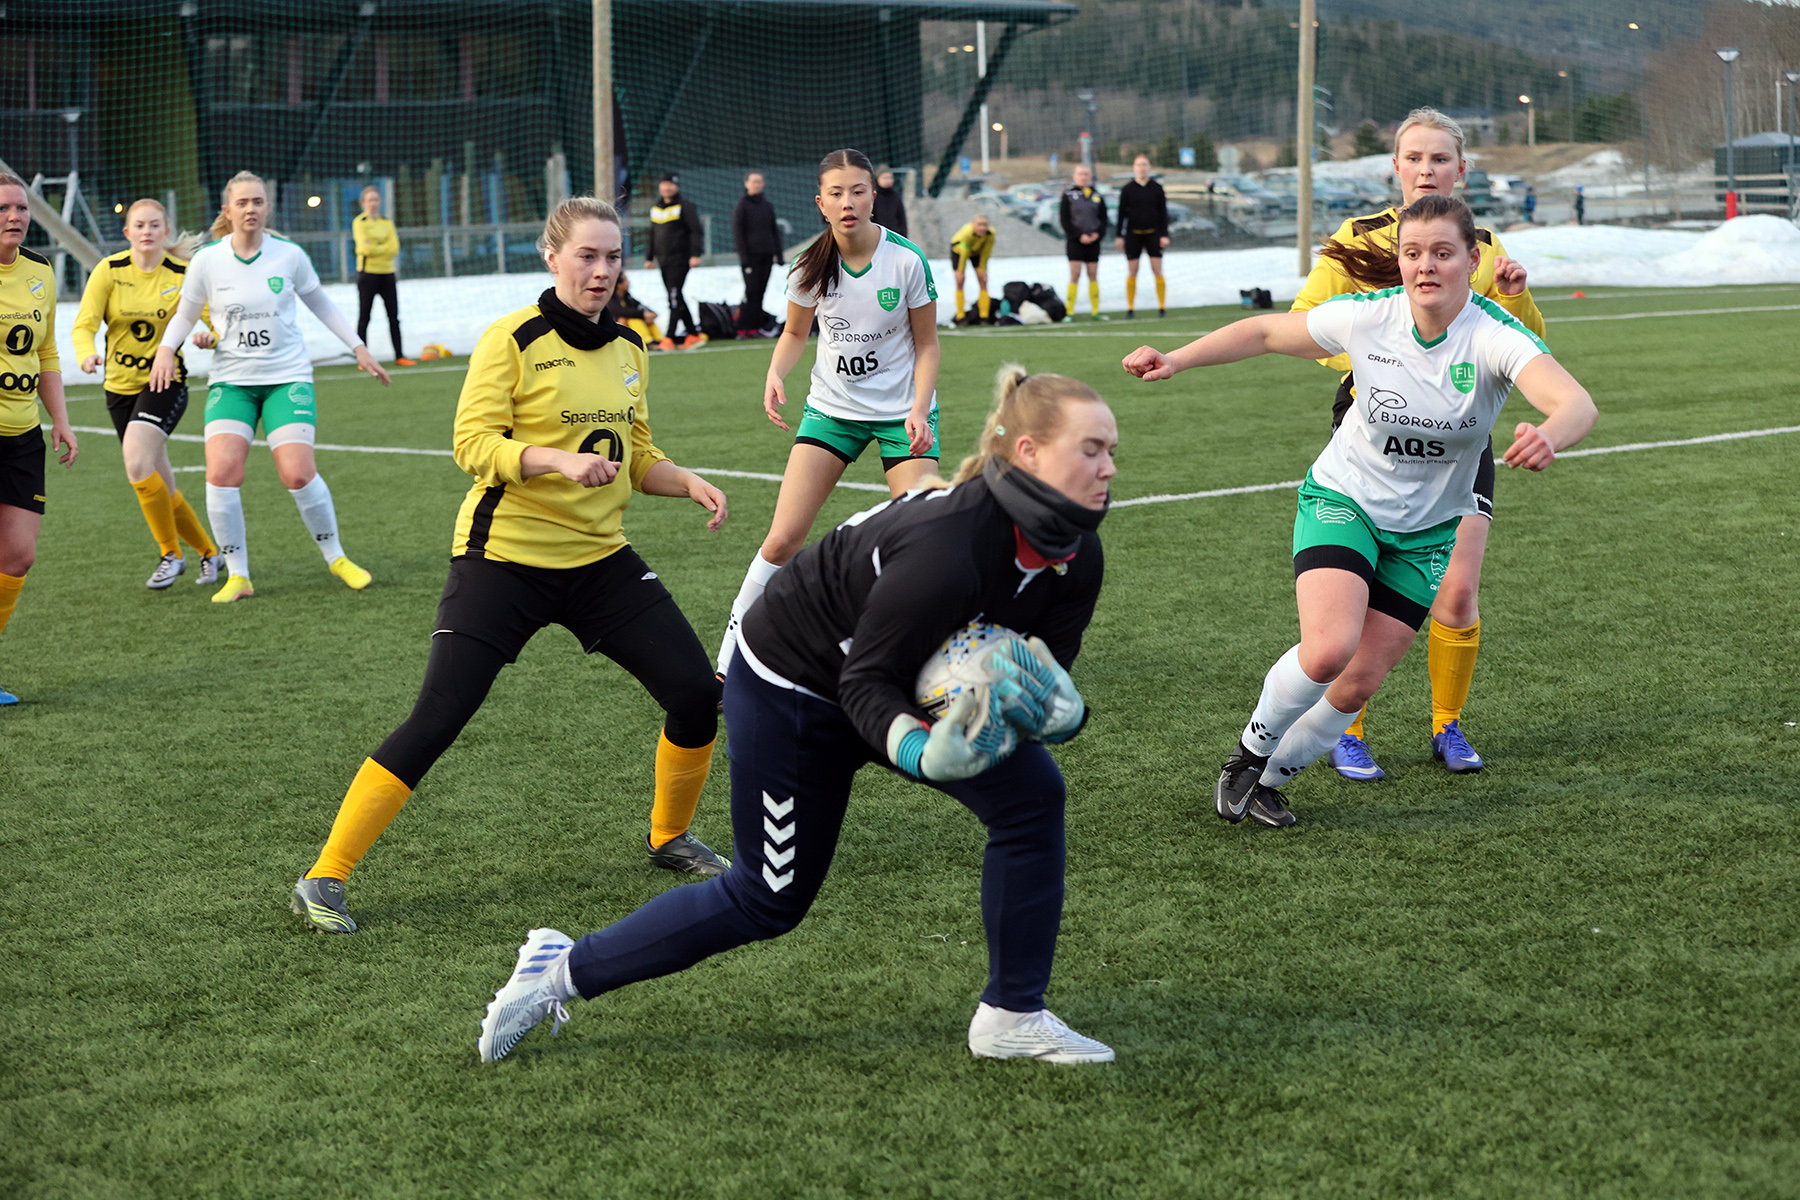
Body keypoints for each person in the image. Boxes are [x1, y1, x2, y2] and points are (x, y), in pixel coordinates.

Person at [476, 364, 1119, 1066]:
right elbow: (865, 681)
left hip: (888, 677)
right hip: (793, 684)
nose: (1108, 467)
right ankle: (559, 972)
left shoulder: (1076, 556)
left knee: (1033, 798)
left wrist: (1062, 715)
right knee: (766, 898)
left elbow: (1043, 676)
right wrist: (919, 752)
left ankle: (1012, 1014)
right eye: (1091, 449)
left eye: (1112, 451)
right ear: (1026, 452)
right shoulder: (951, 546)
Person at [292, 195, 734, 934]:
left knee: (695, 693)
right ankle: (323, 876)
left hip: (600, 561)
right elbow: (471, 444)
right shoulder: (513, 339)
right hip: (504, 559)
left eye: (613, 256)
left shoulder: (630, 350)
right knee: (440, 714)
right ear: (551, 256)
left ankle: (668, 837)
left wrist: (682, 480)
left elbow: (635, 455)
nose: (601, 271)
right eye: (586, 256)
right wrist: (553, 460)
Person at [1123, 194, 1597, 829]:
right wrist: (1175, 358)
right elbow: (1264, 331)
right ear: (1398, 261)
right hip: (1344, 501)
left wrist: (1549, 433)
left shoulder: (1494, 335)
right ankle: (1246, 758)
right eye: (1412, 253)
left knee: (1356, 686)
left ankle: (1270, 783)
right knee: (1328, 651)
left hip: (1427, 533)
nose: (1425, 266)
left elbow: (1576, 403)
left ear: (1472, 258)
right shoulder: (1368, 317)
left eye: (1442, 253)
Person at [1289, 107, 1547, 781]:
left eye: (1440, 159)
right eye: (1414, 158)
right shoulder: (1357, 239)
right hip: (1371, 433)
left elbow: (1529, 349)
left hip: (1458, 443)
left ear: (1462, 170)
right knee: (1362, 598)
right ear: (1395, 167)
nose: (1426, 168)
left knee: (1457, 593)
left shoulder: (1482, 249)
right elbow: (1301, 322)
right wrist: (1374, 361)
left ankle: (1448, 725)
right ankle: (1347, 728)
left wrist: (1517, 298)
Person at [713, 148, 941, 680]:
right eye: (836, 194)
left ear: (872, 196)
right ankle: (729, 659)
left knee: (924, 541)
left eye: (857, 191)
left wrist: (918, 410)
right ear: (821, 203)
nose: (848, 202)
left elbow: (928, 347)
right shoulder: (808, 266)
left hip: (900, 414)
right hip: (832, 411)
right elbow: (795, 333)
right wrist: (775, 373)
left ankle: (923, 653)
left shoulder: (906, 261)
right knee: (783, 537)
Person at [150, 170, 389, 603]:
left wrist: (358, 347)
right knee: (222, 474)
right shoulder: (207, 260)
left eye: (257, 202)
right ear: (227, 211)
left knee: (297, 472)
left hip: (287, 377)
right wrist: (168, 348)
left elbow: (320, 302)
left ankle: (336, 557)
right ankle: (238, 575)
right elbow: (186, 313)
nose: (250, 209)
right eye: (242, 203)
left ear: (267, 208)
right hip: (232, 382)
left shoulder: (290, 256)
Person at [72, 198, 224, 589]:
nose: (147, 232)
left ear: (166, 231)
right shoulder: (109, 270)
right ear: (127, 233)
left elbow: (212, 319)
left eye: (155, 225)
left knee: (137, 465)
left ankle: (169, 554)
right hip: (119, 388)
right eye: (139, 226)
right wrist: (86, 354)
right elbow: (84, 325)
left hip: (164, 383)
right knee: (160, 482)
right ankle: (209, 553)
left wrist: (209, 336)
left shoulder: (183, 273)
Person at [0, 171, 78, 705]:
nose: (14, 217)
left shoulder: (40, 272)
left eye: (22, 209)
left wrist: (62, 420)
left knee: (18, 556)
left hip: (23, 434)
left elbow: (46, 352)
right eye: (4, 208)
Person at [352, 186, 414, 367]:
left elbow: (394, 248)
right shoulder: (360, 223)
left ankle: (399, 355)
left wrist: (376, 247)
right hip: (368, 274)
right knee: (364, 317)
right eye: (370, 200)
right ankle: (363, 358)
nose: (374, 203)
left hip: (387, 273)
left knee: (393, 316)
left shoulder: (387, 223)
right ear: (363, 203)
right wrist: (381, 247)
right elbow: (364, 248)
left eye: (376, 199)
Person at [644, 172, 704, 350]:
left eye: (671, 184)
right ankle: (693, 334)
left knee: (673, 296)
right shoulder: (656, 208)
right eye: (664, 184)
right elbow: (652, 234)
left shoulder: (684, 206)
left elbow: (696, 231)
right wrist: (649, 257)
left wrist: (695, 254)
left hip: (680, 259)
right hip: (663, 260)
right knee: (676, 296)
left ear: (676, 187)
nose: (667, 188)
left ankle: (669, 337)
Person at [1114, 154, 1170, 318]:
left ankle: (1162, 307)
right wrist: (1119, 235)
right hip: (1133, 235)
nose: (1142, 168)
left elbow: (1163, 213)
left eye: (1144, 164)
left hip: (1154, 235)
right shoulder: (1127, 189)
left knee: (1157, 270)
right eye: (1138, 165)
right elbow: (1120, 214)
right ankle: (1130, 308)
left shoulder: (1156, 188)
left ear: (1149, 167)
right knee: (1132, 271)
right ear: (1134, 167)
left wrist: (1164, 234)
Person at [731, 170, 784, 333]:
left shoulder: (767, 206)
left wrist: (779, 254)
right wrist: (744, 259)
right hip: (750, 257)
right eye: (753, 182)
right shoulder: (742, 206)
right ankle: (744, 327)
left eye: (759, 182)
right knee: (751, 291)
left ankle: (756, 327)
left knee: (761, 291)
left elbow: (774, 231)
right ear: (746, 183)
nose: (757, 185)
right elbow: (738, 234)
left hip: (766, 255)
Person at [1060, 164, 1107, 318]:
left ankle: (1095, 311)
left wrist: (1096, 235)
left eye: (1086, 174)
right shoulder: (1068, 195)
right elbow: (1065, 220)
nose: (1083, 177)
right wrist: (1078, 236)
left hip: (1093, 241)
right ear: (1074, 176)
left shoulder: (1097, 196)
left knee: (1093, 275)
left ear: (1090, 176)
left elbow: (1103, 219)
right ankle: (1069, 311)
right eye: (1080, 174)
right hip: (1075, 242)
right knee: (1075, 275)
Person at [949, 212, 995, 324]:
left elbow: (986, 251)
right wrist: (960, 271)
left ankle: (984, 316)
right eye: (979, 225)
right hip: (959, 251)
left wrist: (983, 268)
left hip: (976, 252)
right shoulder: (967, 232)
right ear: (973, 224)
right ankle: (960, 316)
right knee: (960, 281)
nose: (982, 228)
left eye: (985, 225)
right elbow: (964, 252)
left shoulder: (990, 234)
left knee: (983, 280)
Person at [608, 270, 660, 346]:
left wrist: (650, 313)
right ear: (619, 284)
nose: (629, 283)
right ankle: (647, 342)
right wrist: (642, 315)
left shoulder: (628, 298)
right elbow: (620, 311)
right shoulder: (610, 299)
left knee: (648, 320)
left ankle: (659, 340)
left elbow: (640, 306)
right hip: (613, 327)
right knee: (629, 320)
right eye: (626, 281)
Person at [872, 169, 908, 237]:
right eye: (885, 178)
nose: (888, 181)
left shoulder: (895, 196)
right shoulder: (873, 196)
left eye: (890, 178)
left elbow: (901, 219)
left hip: (894, 236)